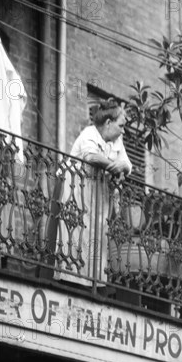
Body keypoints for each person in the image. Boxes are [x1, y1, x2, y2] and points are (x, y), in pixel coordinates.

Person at [54, 99, 132, 286]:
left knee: (98, 237)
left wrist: (123, 167)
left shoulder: (117, 141)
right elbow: (91, 156)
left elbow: (128, 164)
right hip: (75, 188)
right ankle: (71, 280)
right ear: (108, 123)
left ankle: (94, 282)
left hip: (98, 192)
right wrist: (114, 167)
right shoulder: (89, 133)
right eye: (121, 126)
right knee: (75, 234)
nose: (123, 131)